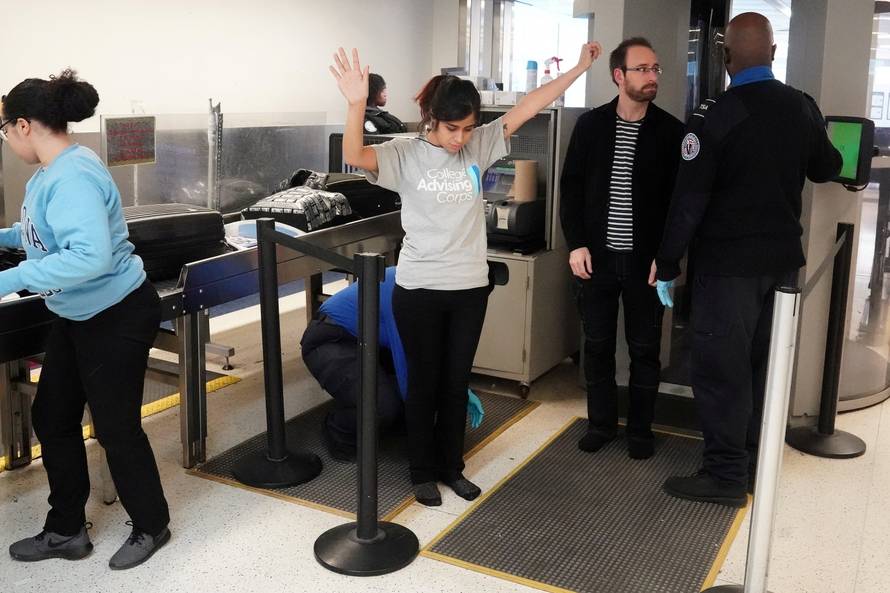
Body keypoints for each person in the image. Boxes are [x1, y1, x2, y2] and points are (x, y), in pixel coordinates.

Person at [329, 42, 602, 506]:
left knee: (456, 382)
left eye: (468, 128)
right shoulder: (403, 154)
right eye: (452, 128)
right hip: (417, 289)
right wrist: (356, 103)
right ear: (432, 118)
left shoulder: (479, 145)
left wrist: (579, 68)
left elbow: (530, 105)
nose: (460, 139)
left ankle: (450, 467)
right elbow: (355, 154)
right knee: (423, 381)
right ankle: (420, 471)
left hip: (469, 288)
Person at [651, 12, 842, 506]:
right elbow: (828, 167)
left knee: (721, 371)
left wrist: (668, 262)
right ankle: (756, 463)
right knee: (763, 366)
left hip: (728, 269)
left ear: (726, 56)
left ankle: (725, 477)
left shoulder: (716, 115)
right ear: (774, 54)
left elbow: (688, 200)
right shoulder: (801, 107)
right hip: (781, 266)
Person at [2, 70, 171, 568]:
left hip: (113, 312)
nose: (8, 140)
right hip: (77, 313)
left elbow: (90, 257)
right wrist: (6, 237)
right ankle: (65, 531)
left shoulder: (72, 173)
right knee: (52, 417)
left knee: (116, 427)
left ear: (25, 125)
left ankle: (151, 525)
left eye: (5, 130)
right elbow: (38, 229)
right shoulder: (51, 172)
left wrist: (10, 280)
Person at [560, 37, 685, 460]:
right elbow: (571, 188)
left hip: (643, 263)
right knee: (596, 345)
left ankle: (640, 430)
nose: (652, 77)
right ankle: (601, 424)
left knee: (645, 349)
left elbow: (678, 204)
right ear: (619, 75)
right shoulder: (592, 126)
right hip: (595, 258)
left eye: (656, 69)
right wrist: (575, 243)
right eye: (643, 69)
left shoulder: (671, 132)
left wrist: (667, 258)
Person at [300, 266, 484, 462]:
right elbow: (408, 366)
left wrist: (460, 389)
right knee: (382, 406)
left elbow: (433, 353)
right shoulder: (405, 294)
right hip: (331, 340)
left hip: (371, 343)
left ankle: (384, 416)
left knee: (422, 391)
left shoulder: (430, 286)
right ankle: (338, 430)